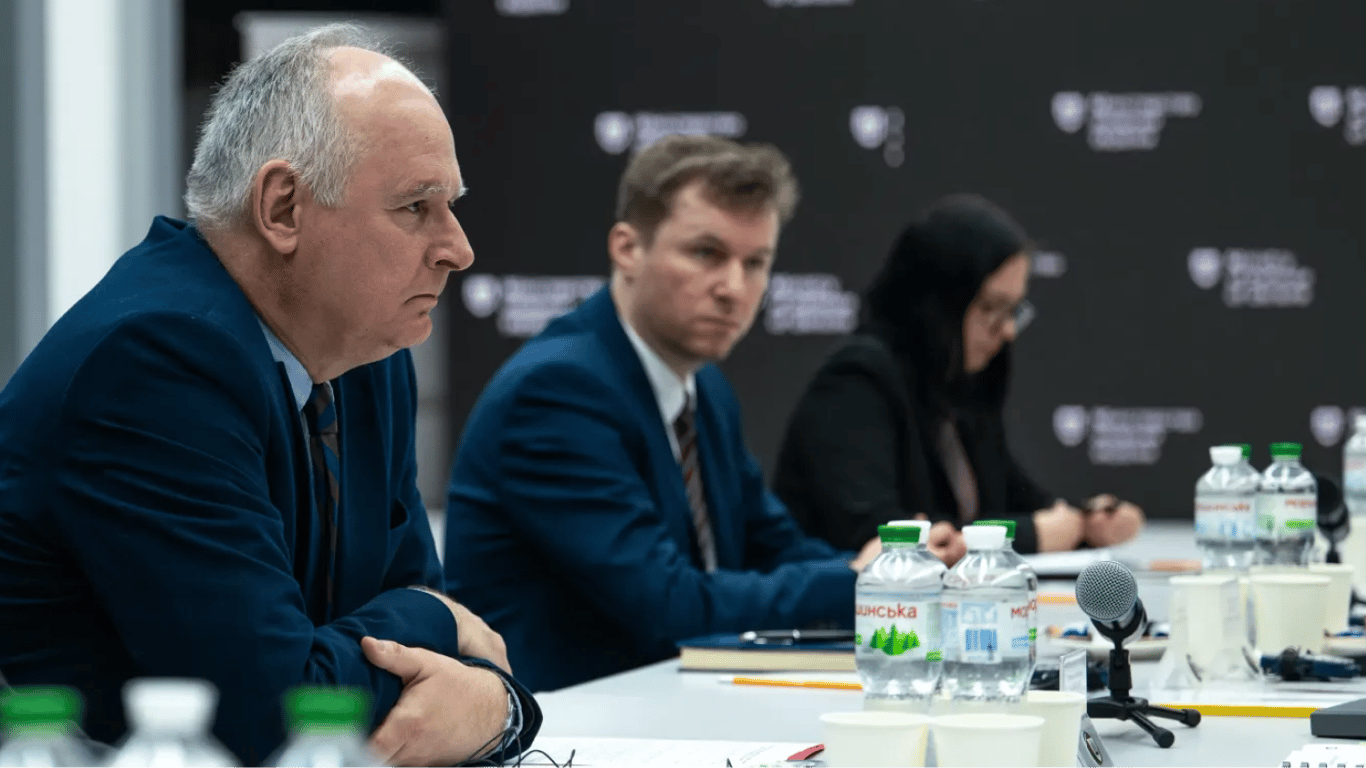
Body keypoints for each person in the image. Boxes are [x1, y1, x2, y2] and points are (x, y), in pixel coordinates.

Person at [0, 24, 539, 767]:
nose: (459, 248)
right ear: (283, 208)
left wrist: (497, 706)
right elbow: (275, 716)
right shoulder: (152, 363)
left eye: (451, 205)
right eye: (417, 206)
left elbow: (447, 670)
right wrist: (435, 621)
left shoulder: (364, 351)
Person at [444, 135, 885, 693]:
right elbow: (669, 604)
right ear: (627, 249)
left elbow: (770, 544)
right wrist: (858, 585)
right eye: (706, 253)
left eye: (756, 263)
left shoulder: (706, 388)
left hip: (670, 706)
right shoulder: (557, 393)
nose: (734, 288)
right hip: (563, 724)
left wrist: (890, 571)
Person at [774, 194, 1144, 559]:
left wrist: (1089, 519)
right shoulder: (856, 383)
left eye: (1014, 310)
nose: (1008, 330)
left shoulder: (956, 385)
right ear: (937, 303)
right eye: (992, 308)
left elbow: (1022, 501)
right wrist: (1033, 535)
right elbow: (884, 538)